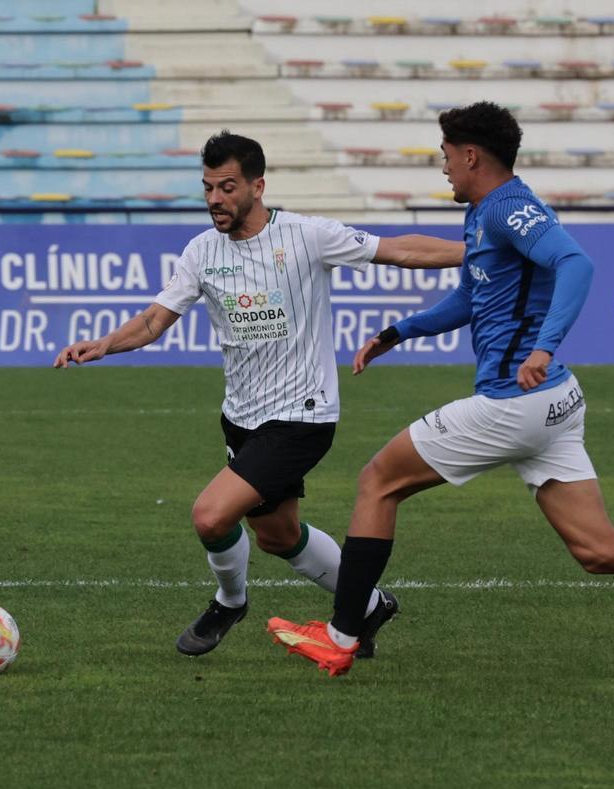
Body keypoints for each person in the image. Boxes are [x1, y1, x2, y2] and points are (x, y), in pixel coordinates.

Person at [267, 102, 614, 677]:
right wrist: (399, 331)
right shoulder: (483, 213)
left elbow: (577, 264)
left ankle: (342, 634)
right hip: (555, 405)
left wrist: (544, 346)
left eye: (447, 155)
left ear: (471, 154)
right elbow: (474, 298)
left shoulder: (510, 208)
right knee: (599, 550)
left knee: (378, 481)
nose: (443, 167)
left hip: (514, 402)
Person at [54, 131, 465, 658]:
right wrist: (106, 344)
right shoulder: (202, 251)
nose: (214, 200)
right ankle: (368, 608)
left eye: (227, 187)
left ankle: (230, 601)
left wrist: (480, 250)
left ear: (257, 185)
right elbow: (156, 319)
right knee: (276, 535)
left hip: (303, 415)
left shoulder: (307, 236)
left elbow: (399, 250)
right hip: (242, 418)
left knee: (210, 515)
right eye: (207, 188)